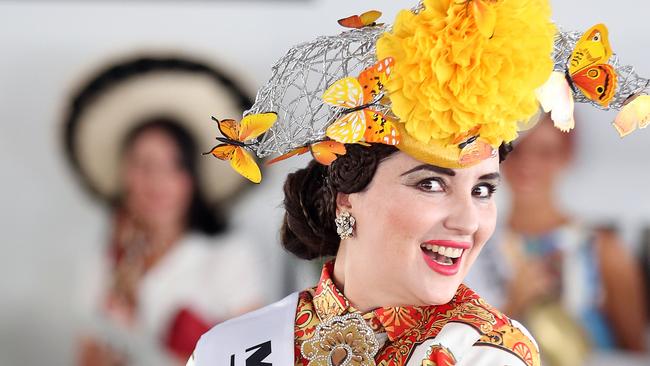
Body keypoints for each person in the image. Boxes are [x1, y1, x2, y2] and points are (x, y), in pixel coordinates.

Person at [187, 0, 650, 364]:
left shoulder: (490, 354)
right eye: (431, 184)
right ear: (347, 197)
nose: (469, 220)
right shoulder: (230, 348)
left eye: (483, 189)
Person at [63, 57, 264, 365]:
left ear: (192, 178)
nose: (157, 182)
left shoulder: (229, 256)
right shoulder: (104, 262)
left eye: (174, 166)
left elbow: (255, 353)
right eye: (144, 165)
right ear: (125, 175)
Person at [466, 115, 648, 364]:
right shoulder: (474, 245)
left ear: (566, 156)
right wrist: (513, 303)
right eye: (517, 150)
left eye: (546, 152)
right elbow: (465, 350)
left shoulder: (604, 250)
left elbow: (634, 353)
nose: (528, 163)